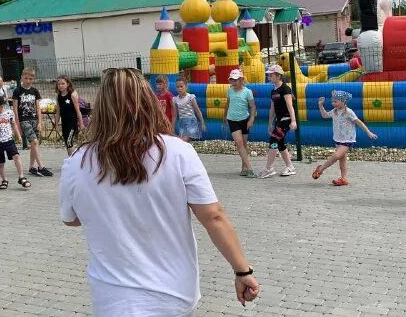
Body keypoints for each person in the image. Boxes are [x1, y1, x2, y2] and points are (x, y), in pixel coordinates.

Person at [59, 68, 259, 316]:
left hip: (112, 299)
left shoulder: (77, 162)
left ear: (101, 108)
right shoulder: (178, 152)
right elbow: (213, 217)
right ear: (148, 103)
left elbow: (71, 219)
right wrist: (242, 271)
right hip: (173, 293)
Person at [313, 90, 377, 186]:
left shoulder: (349, 112)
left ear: (343, 101)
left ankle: (321, 169)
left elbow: (359, 122)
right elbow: (324, 115)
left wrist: (368, 132)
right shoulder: (335, 111)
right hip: (338, 139)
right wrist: (320, 105)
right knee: (342, 160)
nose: (333, 103)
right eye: (332, 101)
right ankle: (343, 178)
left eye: (336, 101)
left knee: (337, 155)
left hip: (347, 139)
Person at [12, 68, 53, 177]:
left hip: (34, 119)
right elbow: (15, 109)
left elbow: (38, 107)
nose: (28, 81)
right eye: (26, 78)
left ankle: (31, 167)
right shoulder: (17, 91)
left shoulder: (34, 91)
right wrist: (17, 125)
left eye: (30, 78)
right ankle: (41, 167)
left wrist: (40, 122)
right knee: (34, 141)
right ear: (21, 77)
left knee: (34, 144)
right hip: (24, 120)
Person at [258, 65, 297, 179]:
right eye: (268, 75)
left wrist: (293, 121)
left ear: (278, 76)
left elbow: (290, 106)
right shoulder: (273, 91)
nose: (269, 76)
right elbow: (272, 108)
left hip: (286, 119)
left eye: (271, 75)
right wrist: (270, 123)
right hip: (279, 120)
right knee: (280, 144)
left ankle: (269, 168)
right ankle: (290, 167)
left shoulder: (285, 89)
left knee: (273, 140)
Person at [0, 95, 31, 190]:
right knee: (0, 163)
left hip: (9, 140)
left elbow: (14, 125)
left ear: (1, 106)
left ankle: (21, 177)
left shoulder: (9, 113)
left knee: (16, 156)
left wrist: (18, 135)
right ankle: (4, 180)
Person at [225, 69, 256, 178]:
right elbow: (228, 104)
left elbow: (252, 107)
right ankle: (250, 168)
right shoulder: (230, 90)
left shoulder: (247, 92)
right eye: (232, 80)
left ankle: (243, 167)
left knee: (244, 144)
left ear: (241, 80)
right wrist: (224, 117)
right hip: (232, 120)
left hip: (244, 119)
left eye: (235, 80)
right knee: (239, 143)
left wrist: (251, 119)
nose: (233, 82)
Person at [54, 75, 85, 157]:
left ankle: (73, 159)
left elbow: (78, 110)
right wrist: (56, 124)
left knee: (69, 141)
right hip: (64, 123)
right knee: (67, 143)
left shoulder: (72, 95)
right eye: (59, 84)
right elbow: (58, 112)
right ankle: (71, 159)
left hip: (72, 123)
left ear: (68, 84)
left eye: (63, 83)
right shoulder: (58, 96)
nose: (60, 85)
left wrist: (81, 124)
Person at [172, 78, 206, 143]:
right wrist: (172, 126)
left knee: (184, 140)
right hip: (182, 122)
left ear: (186, 87)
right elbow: (175, 115)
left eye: (181, 86)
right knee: (184, 141)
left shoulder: (190, 97)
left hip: (191, 121)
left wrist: (202, 122)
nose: (179, 88)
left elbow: (197, 110)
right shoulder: (175, 99)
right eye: (177, 87)